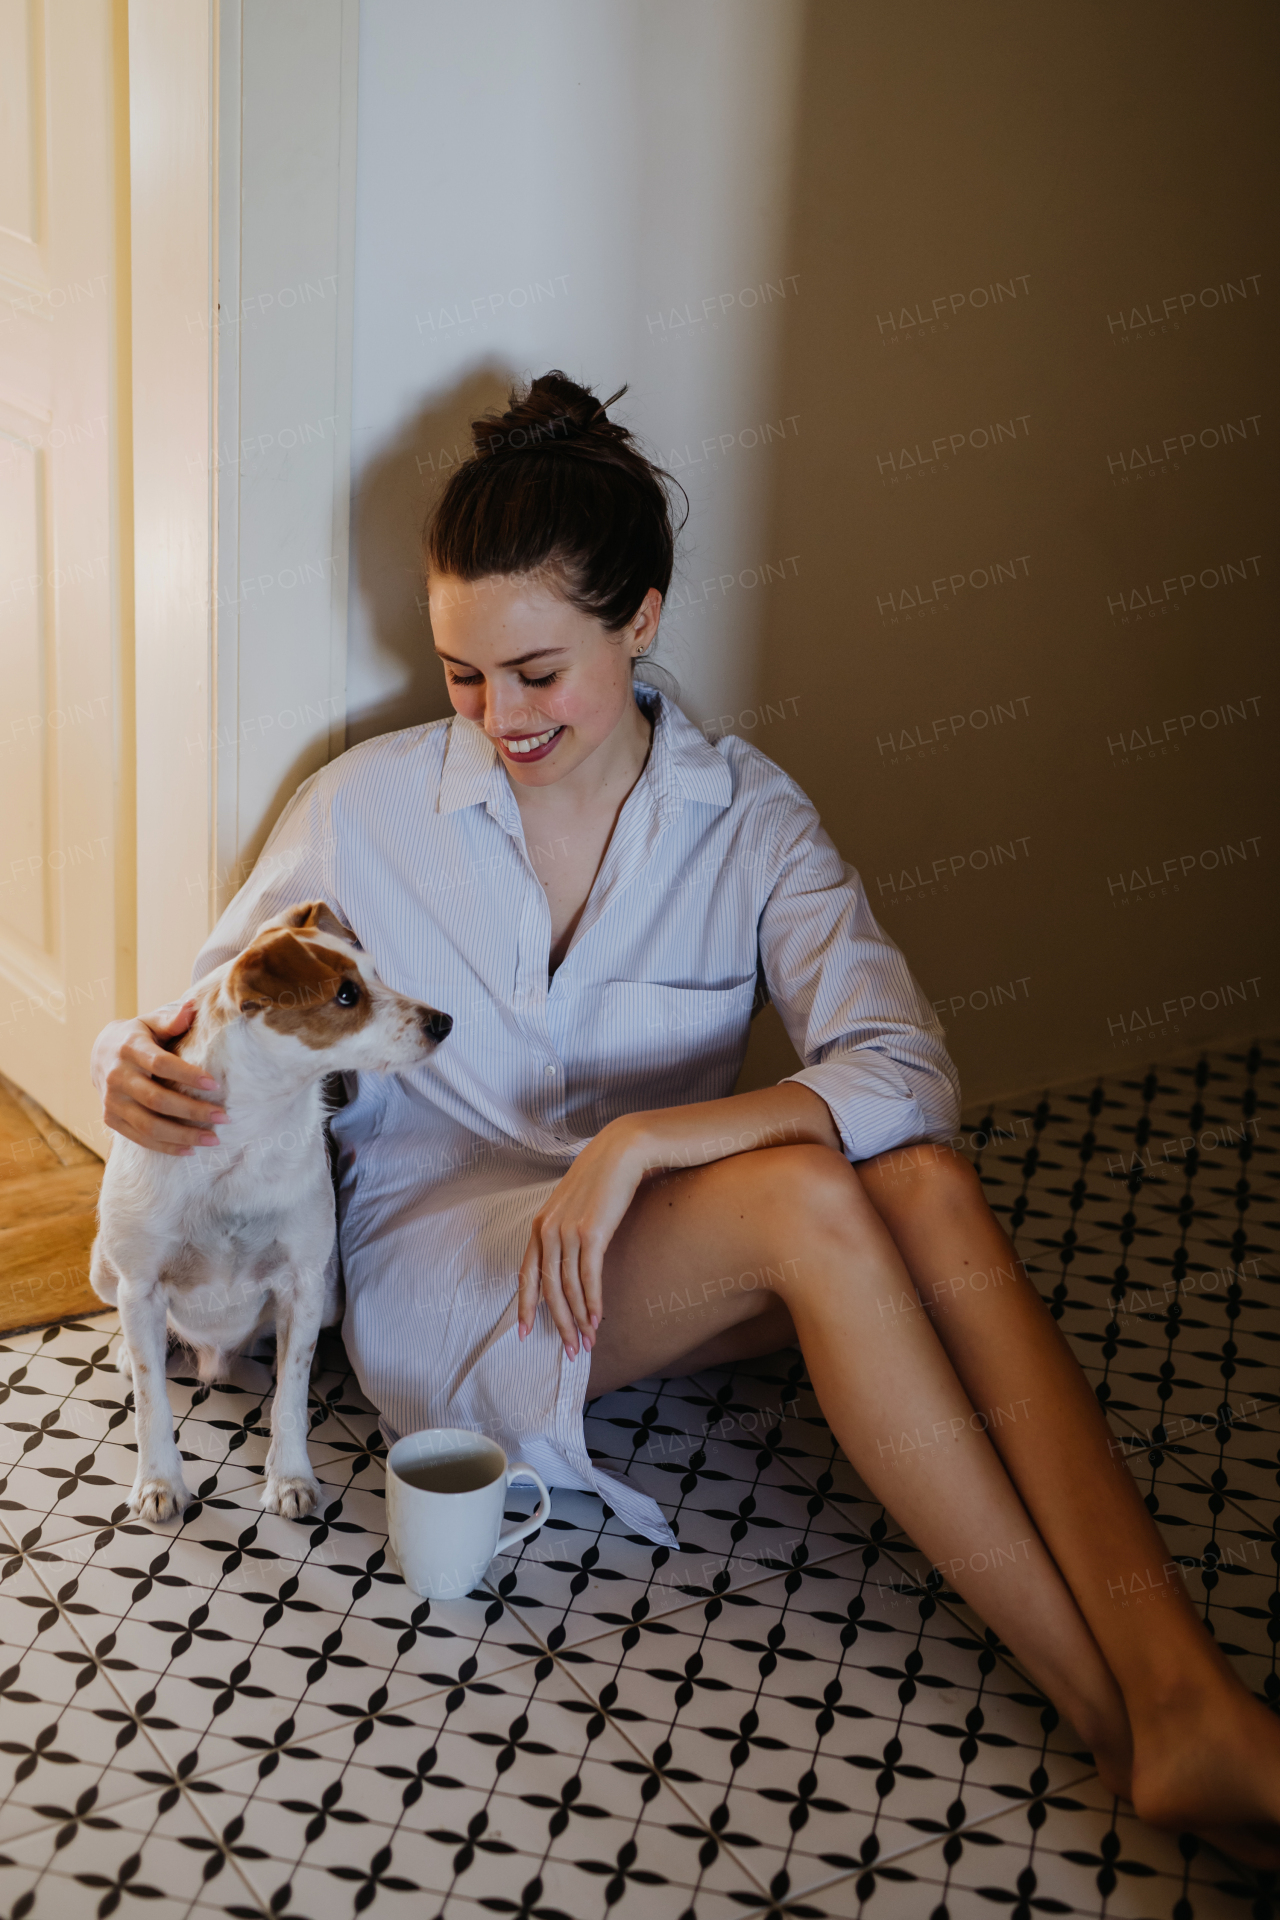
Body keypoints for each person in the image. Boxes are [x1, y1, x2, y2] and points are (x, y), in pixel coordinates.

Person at [93, 370, 1280, 1860]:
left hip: (646, 1238)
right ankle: (1123, 1726)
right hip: (442, 1269)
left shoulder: (745, 815)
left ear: (640, 621)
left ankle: (1184, 1693)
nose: (496, 714)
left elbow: (905, 1072)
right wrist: (136, 1077)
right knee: (816, 1196)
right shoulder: (364, 811)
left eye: (538, 673)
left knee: (922, 1186)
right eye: (464, 673)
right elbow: (207, 1026)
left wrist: (645, 1140)